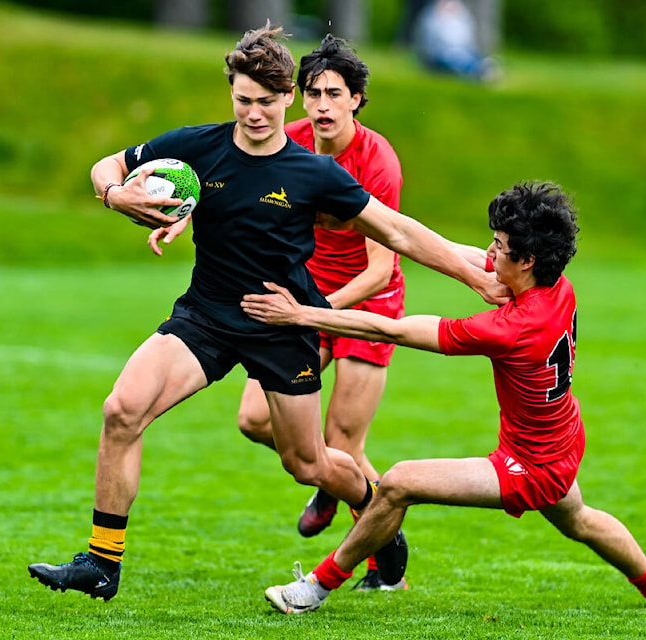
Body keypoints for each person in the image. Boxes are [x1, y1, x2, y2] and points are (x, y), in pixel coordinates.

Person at [27, 22, 509, 602]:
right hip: (205, 317)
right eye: (242, 101)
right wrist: (117, 194)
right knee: (121, 411)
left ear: (286, 98)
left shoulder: (315, 173)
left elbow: (400, 234)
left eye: (265, 102)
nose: (253, 114)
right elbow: (106, 165)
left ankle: (376, 512)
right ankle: (103, 564)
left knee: (306, 463)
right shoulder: (199, 145)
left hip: (282, 323)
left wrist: (475, 276)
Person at [243, 181, 646, 613]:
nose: (489, 252)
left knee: (399, 482)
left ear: (527, 261)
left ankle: (315, 588)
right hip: (562, 440)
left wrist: (302, 314)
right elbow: (461, 256)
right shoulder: (557, 286)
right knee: (581, 520)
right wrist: (387, 227)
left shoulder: (511, 328)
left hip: (529, 466)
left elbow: (392, 329)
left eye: (498, 246)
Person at [240, 34, 407, 591]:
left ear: (357, 99)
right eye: (313, 93)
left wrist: (310, 314)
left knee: (343, 440)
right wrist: (182, 215)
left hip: (367, 299)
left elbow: (381, 270)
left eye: (335, 94)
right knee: (254, 420)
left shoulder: (377, 160)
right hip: (306, 291)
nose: (322, 106)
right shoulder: (286, 141)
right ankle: (334, 479)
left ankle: (385, 566)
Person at [413, 0, 499, 82]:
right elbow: (429, 45)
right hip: (441, 54)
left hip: (462, 49)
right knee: (455, 57)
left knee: (471, 54)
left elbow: (467, 38)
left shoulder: (462, 17)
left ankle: (484, 66)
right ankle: (478, 70)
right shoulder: (431, 18)